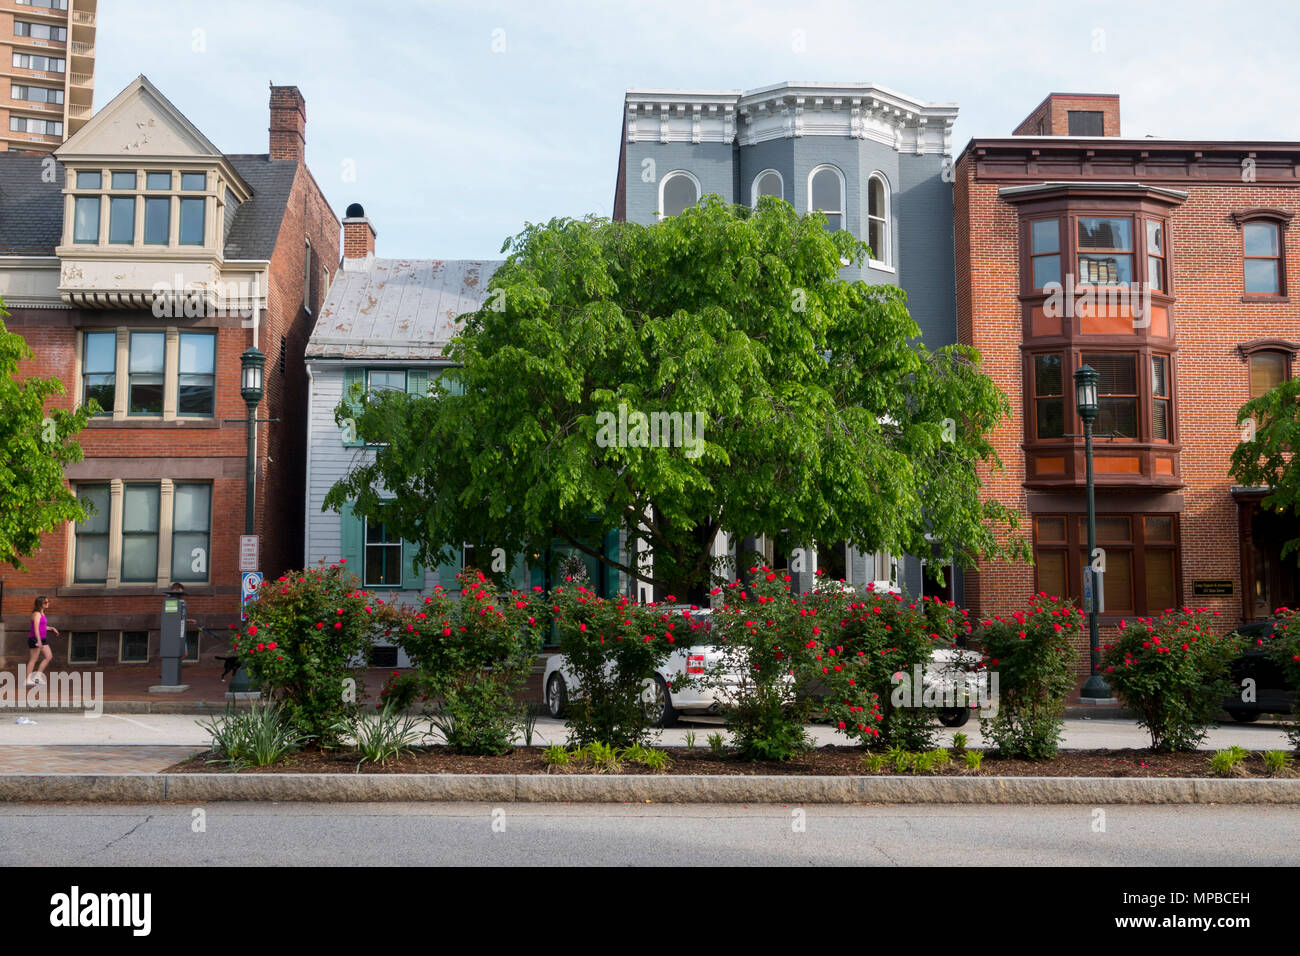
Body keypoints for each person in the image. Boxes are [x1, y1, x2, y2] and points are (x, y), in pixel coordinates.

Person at [26, 596, 57, 688]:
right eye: (45, 602)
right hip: (35, 639)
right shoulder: (36, 614)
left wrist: (51, 628)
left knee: (48, 656)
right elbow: (36, 629)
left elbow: (42, 626)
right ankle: (28, 680)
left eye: (48, 602)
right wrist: (39, 641)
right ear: (40, 604)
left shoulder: (42, 613)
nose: (47, 604)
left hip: (42, 639)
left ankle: (37, 677)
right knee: (33, 659)